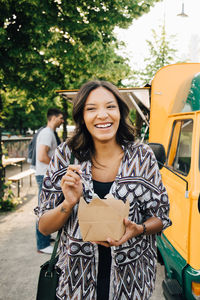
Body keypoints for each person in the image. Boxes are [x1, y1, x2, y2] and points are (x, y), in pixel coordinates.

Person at [34, 80, 171, 299]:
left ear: (120, 112)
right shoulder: (64, 156)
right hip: (76, 284)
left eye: (110, 106)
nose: (102, 115)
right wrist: (68, 204)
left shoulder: (143, 157)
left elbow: (161, 217)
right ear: (82, 116)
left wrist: (139, 229)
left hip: (132, 281)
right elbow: (43, 226)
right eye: (91, 109)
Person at [35, 107, 64, 254]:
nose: (62, 121)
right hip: (44, 175)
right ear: (53, 118)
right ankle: (42, 244)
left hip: (44, 175)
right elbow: (41, 156)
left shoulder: (49, 133)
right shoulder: (47, 133)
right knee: (44, 209)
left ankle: (45, 238)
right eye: (61, 118)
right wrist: (58, 166)